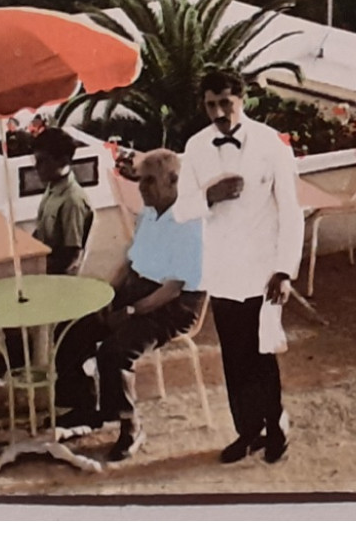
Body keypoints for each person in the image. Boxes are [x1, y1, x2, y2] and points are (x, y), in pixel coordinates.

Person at [176, 69, 303, 464]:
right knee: (234, 354)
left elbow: (291, 212)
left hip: (264, 269)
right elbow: (181, 210)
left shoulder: (271, 145)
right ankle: (248, 431)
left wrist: (284, 270)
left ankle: (276, 424)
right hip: (223, 270)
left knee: (262, 351)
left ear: (241, 100)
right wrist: (208, 196)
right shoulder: (195, 147)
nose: (219, 113)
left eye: (225, 103)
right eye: (211, 104)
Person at [54, 148, 204, 462]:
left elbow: (173, 289)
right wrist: (107, 297)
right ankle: (85, 408)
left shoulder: (191, 224)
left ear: (173, 180)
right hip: (137, 288)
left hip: (172, 305)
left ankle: (130, 426)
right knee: (71, 329)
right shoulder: (149, 212)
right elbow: (129, 260)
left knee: (115, 350)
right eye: (140, 181)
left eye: (150, 181)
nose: (142, 188)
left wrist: (131, 312)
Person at [30, 127, 93, 275]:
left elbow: (70, 256)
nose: (36, 167)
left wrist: (35, 270)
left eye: (42, 161)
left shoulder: (72, 200)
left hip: (55, 276)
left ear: (63, 161)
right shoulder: (52, 187)